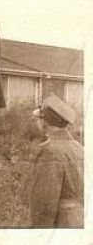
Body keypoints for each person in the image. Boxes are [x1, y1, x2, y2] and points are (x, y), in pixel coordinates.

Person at [29, 96, 83, 228]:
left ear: (45, 123)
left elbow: (45, 203)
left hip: (61, 224)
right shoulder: (80, 149)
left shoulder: (50, 151)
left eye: (39, 119)